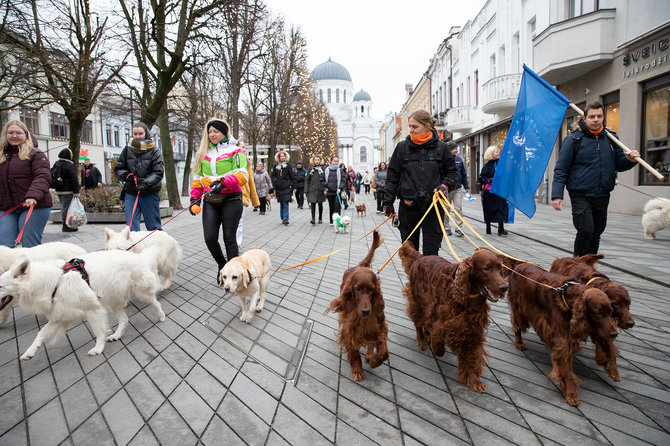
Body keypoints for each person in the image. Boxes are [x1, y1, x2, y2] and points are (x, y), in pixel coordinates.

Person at [552, 102, 640, 256]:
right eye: (592, 116)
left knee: (597, 232)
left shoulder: (611, 138)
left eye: (599, 116)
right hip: (580, 193)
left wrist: (630, 160)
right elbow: (561, 169)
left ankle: (589, 267)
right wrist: (557, 195)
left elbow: (619, 164)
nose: (596, 119)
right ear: (584, 118)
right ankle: (578, 266)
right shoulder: (574, 140)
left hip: (602, 193)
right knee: (585, 230)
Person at [383, 110, 458, 256]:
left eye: (415, 127)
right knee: (410, 254)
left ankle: (428, 279)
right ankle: (413, 279)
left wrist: (445, 186)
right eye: (410, 126)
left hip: (433, 207)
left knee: (431, 254)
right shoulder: (402, 147)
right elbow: (392, 176)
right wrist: (388, 202)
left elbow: (452, 173)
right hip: (408, 206)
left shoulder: (441, 148)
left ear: (428, 126)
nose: (411, 130)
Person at [190, 118, 253, 281]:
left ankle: (236, 275)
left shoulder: (236, 151)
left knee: (229, 238)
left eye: (216, 131)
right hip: (210, 200)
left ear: (224, 133)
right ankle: (222, 265)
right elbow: (197, 179)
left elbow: (242, 175)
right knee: (210, 238)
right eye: (210, 131)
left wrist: (223, 183)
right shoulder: (202, 153)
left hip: (232, 199)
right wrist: (195, 199)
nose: (212, 134)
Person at [0, 120, 52, 247]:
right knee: (4, 245)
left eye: (19, 132)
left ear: (26, 135)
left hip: (34, 206)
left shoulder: (36, 154)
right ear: (5, 135)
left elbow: (43, 176)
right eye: (10, 132)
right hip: (7, 207)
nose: (14, 136)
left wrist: (33, 195)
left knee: (29, 244)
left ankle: (35, 266)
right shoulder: (1, 156)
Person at [114, 122, 164, 231]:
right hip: (131, 192)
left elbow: (158, 172)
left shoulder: (154, 150)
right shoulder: (127, 150)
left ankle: (161, 246)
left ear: (146, 133)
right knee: (131, 226)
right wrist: (126, 175)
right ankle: (134, 247)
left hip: (149, 192)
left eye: (140, 133)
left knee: (153, 226)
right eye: (135, 134)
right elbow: (118, 168)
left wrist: (145, 183)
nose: (137, 136)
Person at [479, 145, 509, 236]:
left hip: (500, 191)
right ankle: (488, 228)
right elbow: (481, 178)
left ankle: (501, 228)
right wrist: (489, 180)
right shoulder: (487, 166)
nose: (498, 153)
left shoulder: (501, 164)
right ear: (491, 153)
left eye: (498, 152)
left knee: (501, 208)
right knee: (489, 209)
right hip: (490, 192)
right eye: (496, 152)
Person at [443, 142, 469, 237]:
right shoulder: (444, 159)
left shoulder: (459, 160)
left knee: (458, 208)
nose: (456, 150)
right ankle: (446, 228)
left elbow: (463, 174)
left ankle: (458, 228)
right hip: (447, 189)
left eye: (457, 149)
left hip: (457, 188)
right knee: (446, 209)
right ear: (450, 150)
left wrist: (466, 186)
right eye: (455, 149)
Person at [52, 149, 81, 232]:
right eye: (71, 153)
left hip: (59, 189)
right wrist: (76, 192)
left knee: (63, 207)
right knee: (67, 208)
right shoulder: (69, 165)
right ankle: (66, 226)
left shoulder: (57, 164)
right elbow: (74, 179)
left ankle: (67, 224)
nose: (72, 155)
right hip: (68, 191)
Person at [271, 150, 295, 225]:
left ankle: (285, 218)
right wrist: (275, 182)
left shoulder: (288, 166)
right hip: (279, 187)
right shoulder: (275, 166)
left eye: (283, 156)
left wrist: (293, 186)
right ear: (278, 157)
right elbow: (273, 176)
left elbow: (292, 176)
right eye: (280, 156)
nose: (282, 157)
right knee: (281, 202)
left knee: (285, 202)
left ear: (285, 157)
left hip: (287, 187)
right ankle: (282, 217)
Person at [304, 154, 327, 224]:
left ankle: (320, 218)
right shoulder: (311, 169)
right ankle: (313, 218)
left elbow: (326, 179)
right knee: (313, 204)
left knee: (320, 204)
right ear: (313, 161)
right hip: (312, 189)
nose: (317, 161)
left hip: (321, 189)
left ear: (320, 161)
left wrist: (325, 189)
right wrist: (306, 190)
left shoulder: (323, 169)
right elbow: (307, 180)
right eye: (315, 160)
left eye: (318, 160)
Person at [325, 156, 347, 225]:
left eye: (337, 161)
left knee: (337, 207)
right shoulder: (326, 170)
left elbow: (343, 180)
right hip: (329, 191)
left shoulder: (340, 170)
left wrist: (340, 188)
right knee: (331, 206)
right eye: (334, 161)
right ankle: (332, 221)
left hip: (337, 192)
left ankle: (338, 221)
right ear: (331, 161)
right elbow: (322, 180)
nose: (336, 162)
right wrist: (326, 186)